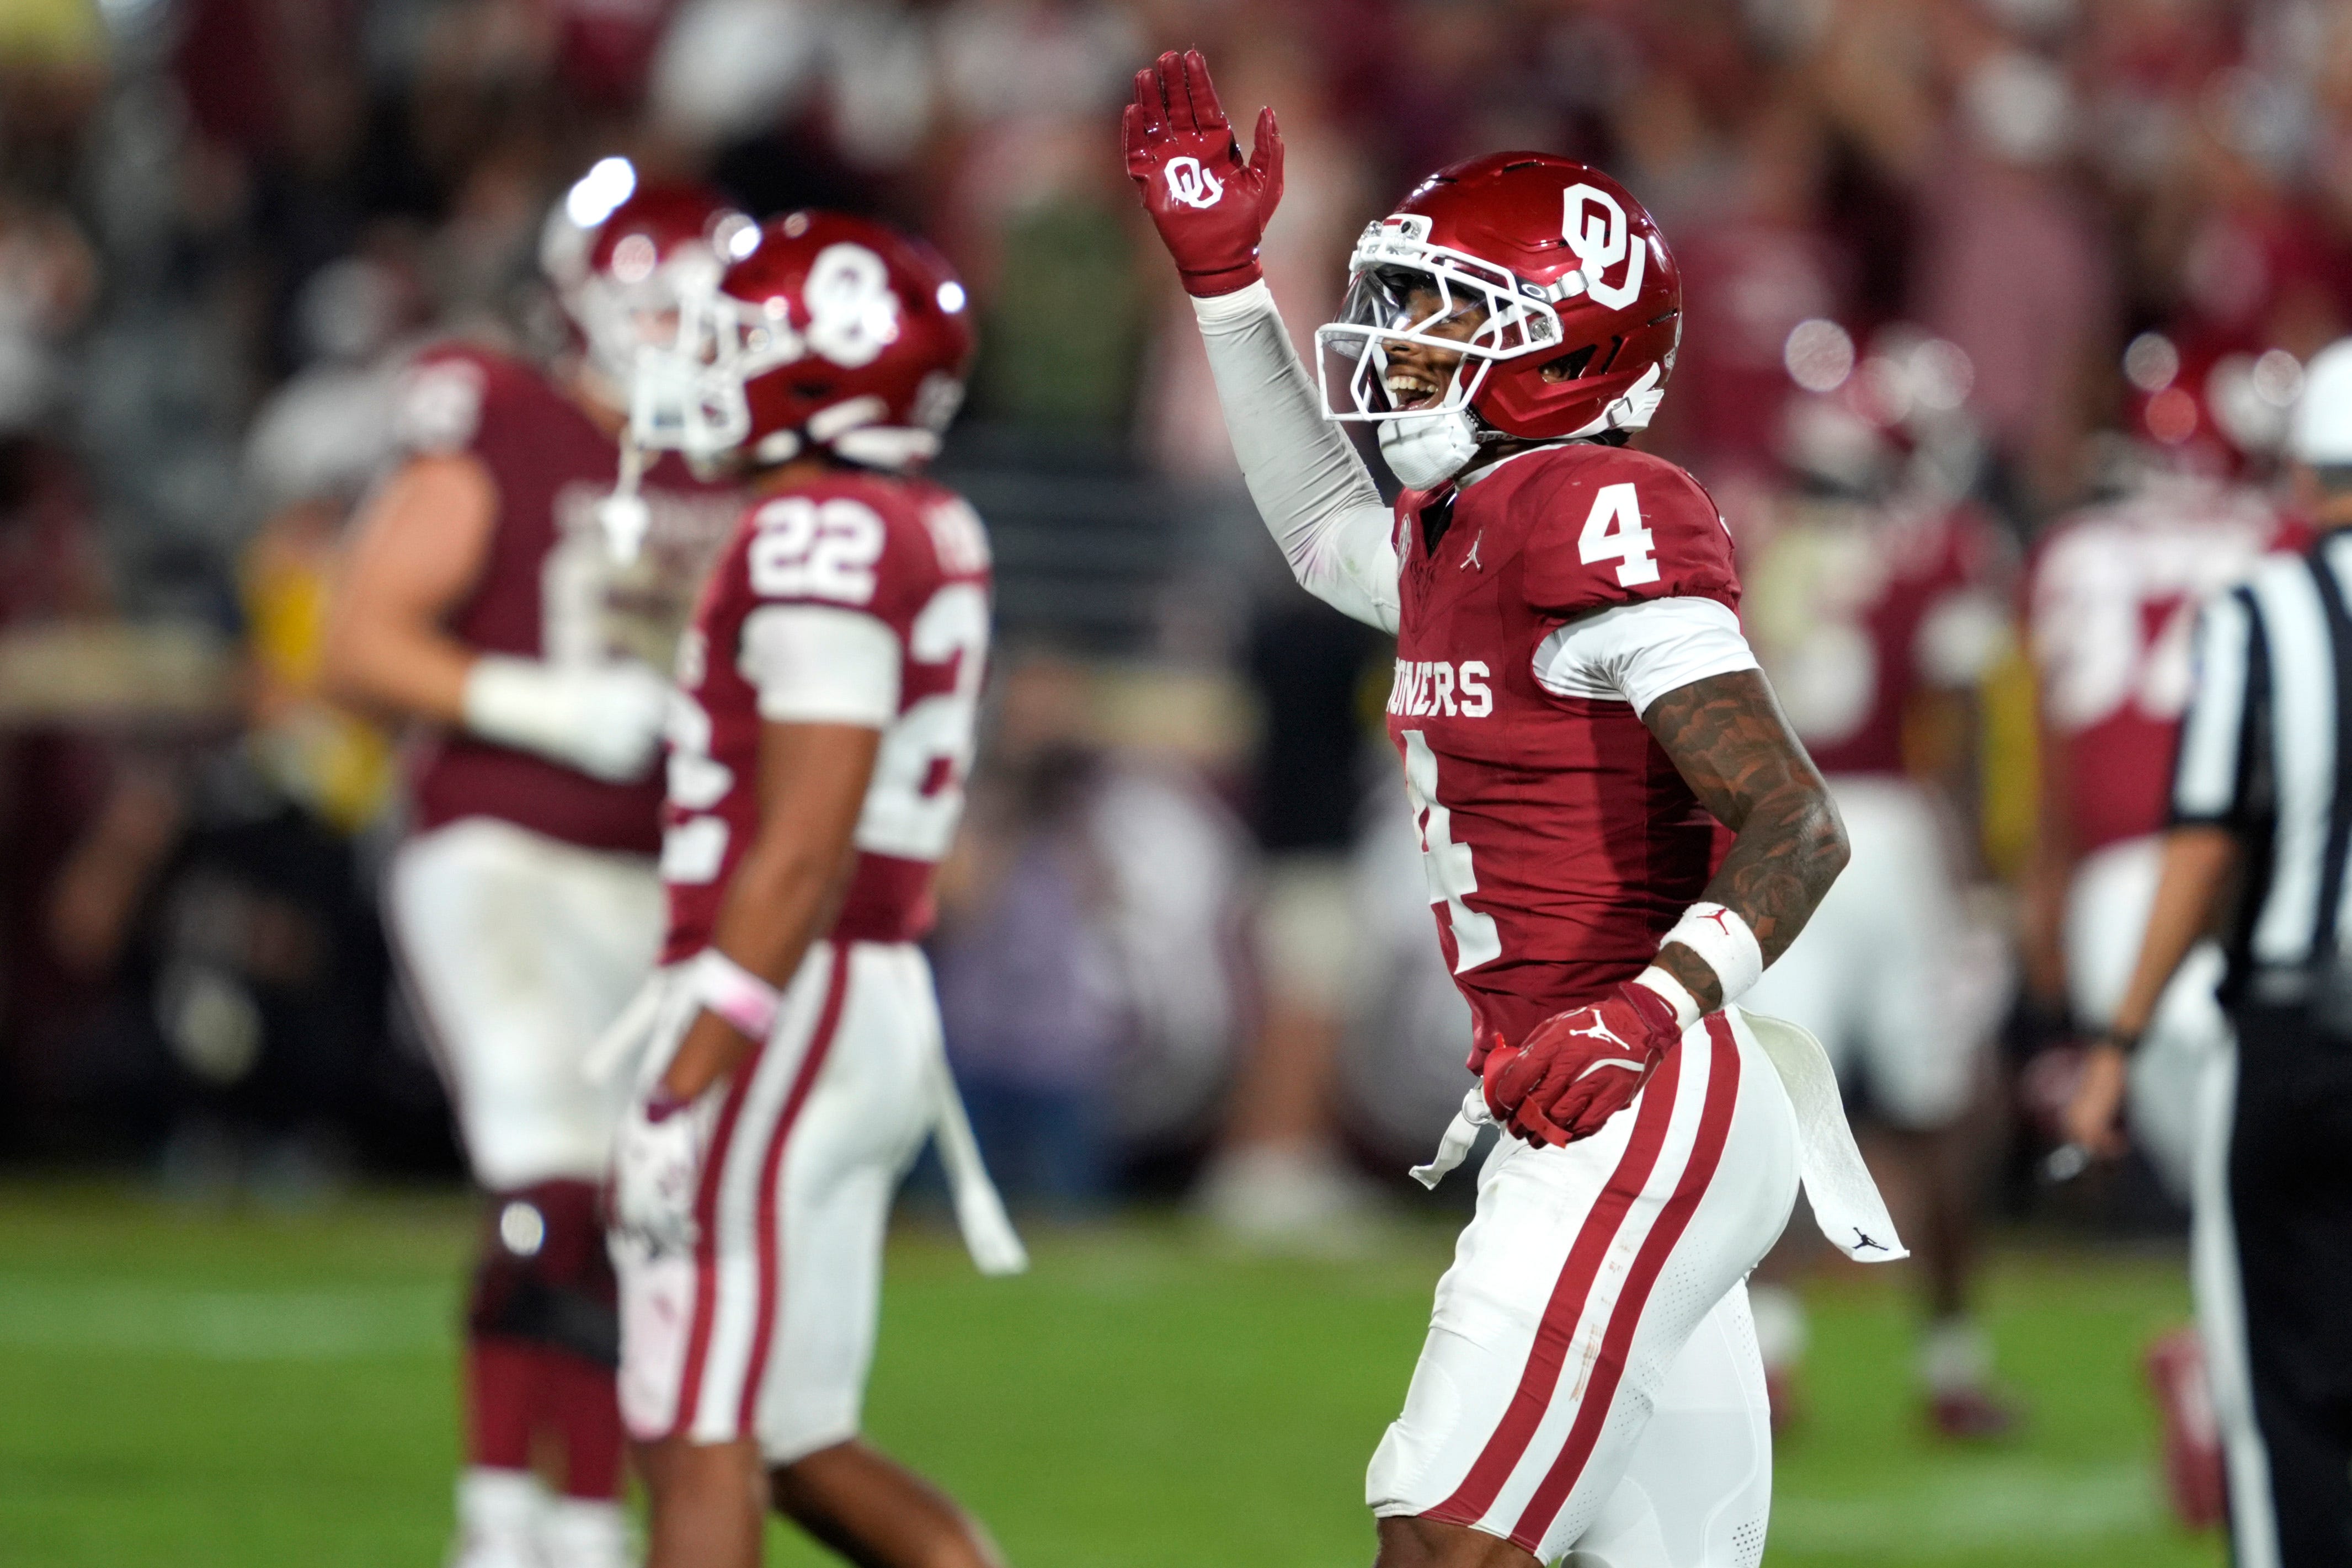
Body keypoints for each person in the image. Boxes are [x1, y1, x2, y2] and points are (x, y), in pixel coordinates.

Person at [1126, 50, 1903, 1568]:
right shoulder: (1465, 529)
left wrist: (1640, 1011)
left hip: (1635, 1089)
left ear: (1565, 352)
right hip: (1609, 1094)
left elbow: (1796, 823)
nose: (1403, 345)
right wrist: (1228, 286)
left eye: (1447, 317)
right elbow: (1314, 532)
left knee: (1441, 1540)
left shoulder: (1589, 512)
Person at [321, 166, 746, 1568]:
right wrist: (541, 705)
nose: (683, 331)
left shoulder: (755, 458)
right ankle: (501, 1521)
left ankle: (579, 1521)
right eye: (657, 302)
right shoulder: (500, 415)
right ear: (581, 298)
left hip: (668, 881)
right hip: (499, 844)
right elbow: (355, 639)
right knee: (544, 1161)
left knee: (632, 1205)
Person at [602, 210, 1014, 1568]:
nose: (706, 365)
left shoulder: (820, 524)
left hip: (790, 978)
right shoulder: (915, 513)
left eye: (737, 336)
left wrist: (690, 1065)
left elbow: (807, 831)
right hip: (860, 982)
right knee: (789, 1437)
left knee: (695, 1421)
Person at [2066, 336, 2352, 1568]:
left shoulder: (2263, 607)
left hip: (2292, 1030)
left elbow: (2201, 841)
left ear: (2302, 476)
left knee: (2275, 1396)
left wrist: (2115, 1039)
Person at [1736, 399, 2020, 1437]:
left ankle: (1769, 1359)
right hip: (1893, 830)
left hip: (1778, 823)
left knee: (1775, 1104)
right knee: (1937, 1108)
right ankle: (1953, 1363)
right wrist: (1985, 869)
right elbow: (1961, 713)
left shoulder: (1753, 535)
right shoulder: (1938, 544)